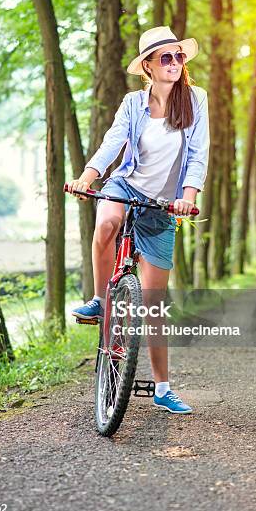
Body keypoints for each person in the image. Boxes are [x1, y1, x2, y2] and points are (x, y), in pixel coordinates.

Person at [67, 25, 209, 414]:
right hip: (127, 186)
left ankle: (162, 387)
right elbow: (113, 142)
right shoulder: (133, 103)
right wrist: (86, 178)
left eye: (179, 56)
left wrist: (187, 197)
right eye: (166, 57)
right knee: (107, 223)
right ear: (147, 66)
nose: (175, 63)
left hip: (165, 203)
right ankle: (100, 299)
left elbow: (198, 154)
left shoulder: (196, 100)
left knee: (153, 305)